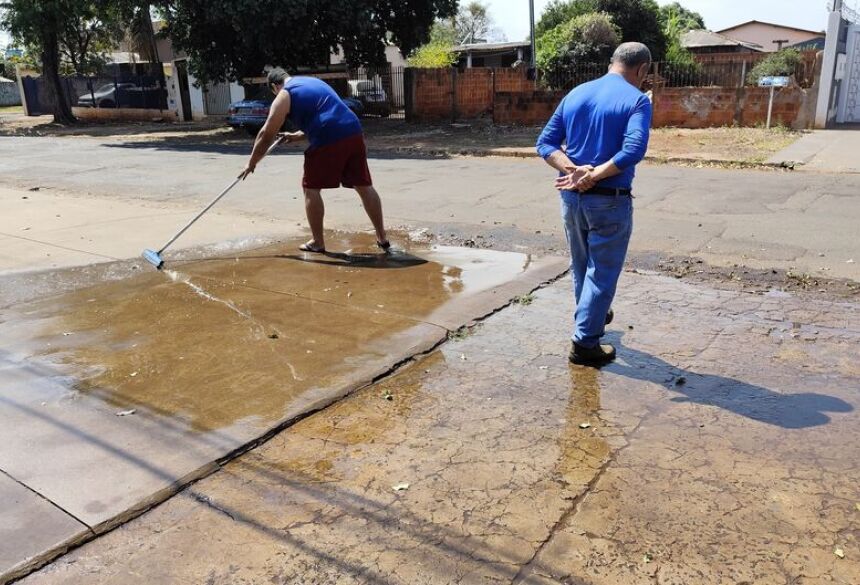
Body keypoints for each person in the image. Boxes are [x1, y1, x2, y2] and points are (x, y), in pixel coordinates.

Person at [536, 42, 653, 366]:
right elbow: (632, 151)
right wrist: (594, 175)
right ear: (642, 69)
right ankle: (585, 344)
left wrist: (572, 170)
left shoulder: (576, 94)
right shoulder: (637, 100)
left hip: (571, 199)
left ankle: (593, 319)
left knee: (582, 266)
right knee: (601, 272)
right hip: (608, 202)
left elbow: (545, 143)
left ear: (612, 62)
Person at [240, 67, 389, 254]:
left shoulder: (285, 94)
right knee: (363, 185)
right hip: (353, 130)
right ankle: (382, 237)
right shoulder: (313, 82)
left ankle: (318, 242)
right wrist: (296, 136)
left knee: (311, 188)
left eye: (273, 92)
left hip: (329, 135)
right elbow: (327, 113)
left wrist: (252, 162)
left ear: (274, 86)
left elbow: (266, 133)